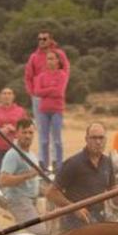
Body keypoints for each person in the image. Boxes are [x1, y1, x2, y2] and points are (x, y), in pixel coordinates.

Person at [45, 123, 118, 231]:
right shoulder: (73, 163)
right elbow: (51, 193)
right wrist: (75, 209)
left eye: (101, 138)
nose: (98, 142)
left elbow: (113, 187)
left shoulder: (107, 162)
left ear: (105, 139)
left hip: (99, 221)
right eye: (94, 138)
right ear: (86, 139)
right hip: (74, 224)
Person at [23, 31, 70, 159]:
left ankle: (56, 162)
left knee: (56, 134)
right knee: (42, 133)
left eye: (44, 38)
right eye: (39, 39)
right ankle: (43, 161)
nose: (41, 41)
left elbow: (66, 70)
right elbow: (28, 76)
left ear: (50, 39)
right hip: (39, 97)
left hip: (56, 98)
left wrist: (59, 88)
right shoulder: (34, 57)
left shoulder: (59, 54)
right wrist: (32, 92)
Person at [0, 119, 47, 234]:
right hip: (19, 201)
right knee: (40, 232)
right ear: (17, 134)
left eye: (30, 133)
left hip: (32, 202)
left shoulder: (31, 155)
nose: (28, 136)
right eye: (24, 132)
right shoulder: (13, 154)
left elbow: (31, 182)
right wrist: (29, 174)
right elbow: (3, 180)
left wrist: (46, 190)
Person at [33, 50, 68, 170]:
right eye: (48, 59)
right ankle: (45, 165)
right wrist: (51, 89)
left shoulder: (62, 75)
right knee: (44, 140)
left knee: (57, 140)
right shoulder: (41, 76)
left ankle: (59, 165)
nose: (50, 61)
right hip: (43, 110)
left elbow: (59, 92)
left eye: (53, 58)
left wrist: (46, 91)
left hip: (57, 110)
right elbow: (37, 92)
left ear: (58, 60)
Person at [0, 87, 26, 185]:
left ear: (13, 96)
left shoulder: (20, 111)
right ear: (0, 96)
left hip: (14, 149)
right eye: (4, 94)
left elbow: (26, 130)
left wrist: (14, 130)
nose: (6, 96)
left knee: (14, 177)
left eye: (9, 93)